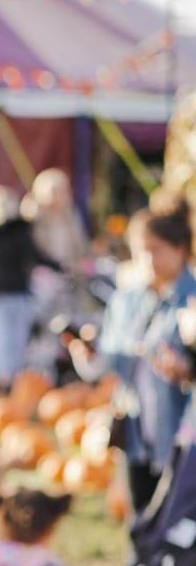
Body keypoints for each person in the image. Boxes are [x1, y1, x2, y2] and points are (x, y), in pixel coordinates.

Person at [70, 202, 196, 514]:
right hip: (136, 427)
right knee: (141, 516)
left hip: (182, 430)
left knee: (178, 520)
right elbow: (109, 363)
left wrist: (188, 371)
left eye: (155, 249)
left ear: (180, 249)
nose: (146, 259)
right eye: (140, 250)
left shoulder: (192, 299)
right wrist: (88, 353)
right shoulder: (127, 300)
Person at [0, 186, 60, 388]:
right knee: (4, 336)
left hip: (15, 291)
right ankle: (4, 379)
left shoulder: (20, 230)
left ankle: (12, 379)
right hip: (0, 292)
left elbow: (36, 255)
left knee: (13, 337)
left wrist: (59, 266)